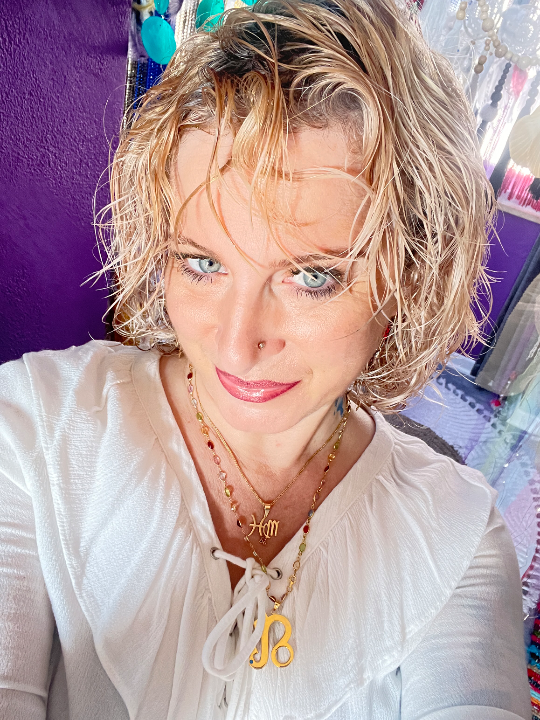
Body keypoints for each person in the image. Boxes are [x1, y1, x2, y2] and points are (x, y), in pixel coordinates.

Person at [0, 0, 532, 718]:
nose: (235, 343)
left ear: (410, 275)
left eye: (312, 276)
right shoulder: (32, 428)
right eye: (201, 263)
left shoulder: (455, 534)